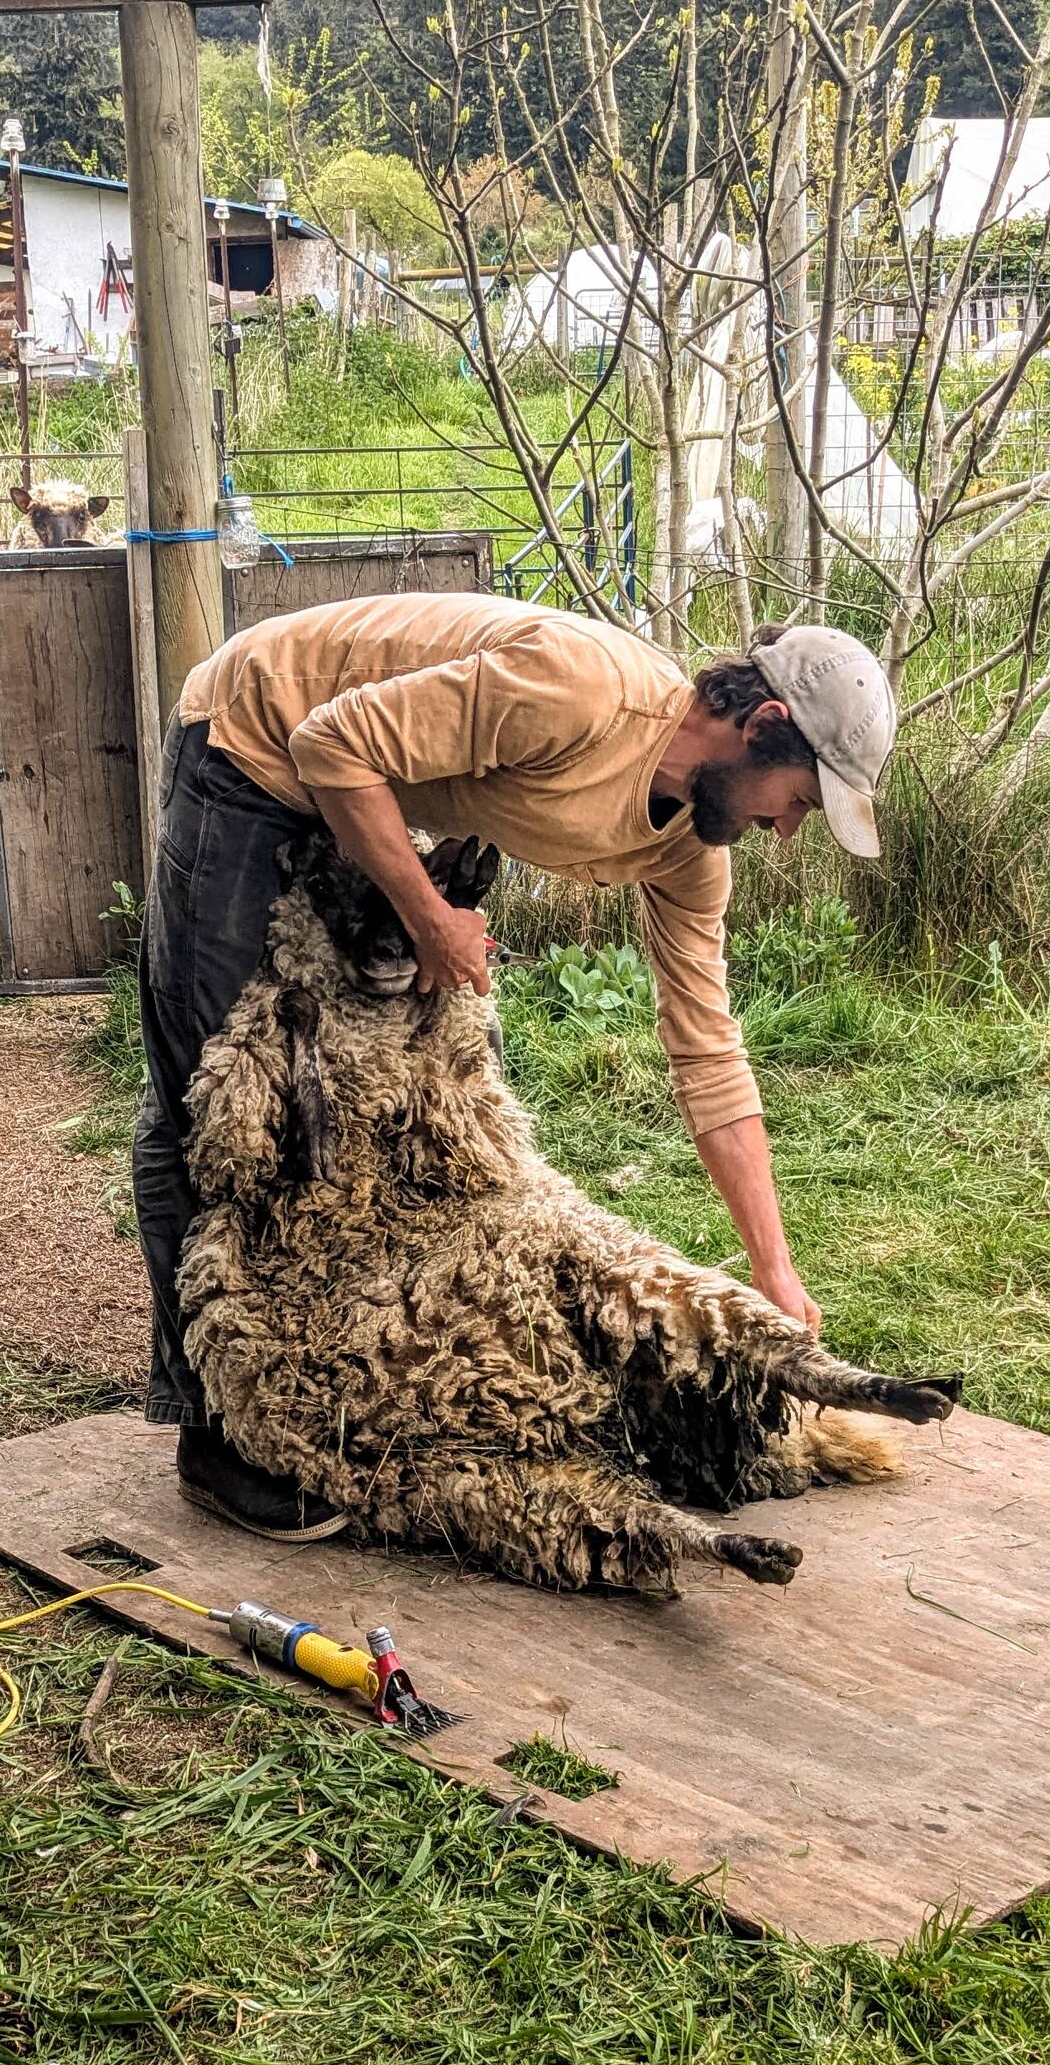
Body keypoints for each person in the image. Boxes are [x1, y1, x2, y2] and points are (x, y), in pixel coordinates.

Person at [133, 595, 897, 1543]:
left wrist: (774, 1271)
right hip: (255, 736)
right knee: (212, 1101)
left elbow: (707, 1047)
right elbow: (331, 744)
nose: (789, 830)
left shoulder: (692, 851)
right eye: (801, 800)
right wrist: (428, 917)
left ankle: (365, 1375)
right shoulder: (580, 695)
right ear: (764, 725)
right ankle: (216, 1432)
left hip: (367, 772)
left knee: (439, 1107)